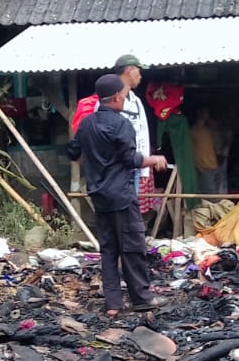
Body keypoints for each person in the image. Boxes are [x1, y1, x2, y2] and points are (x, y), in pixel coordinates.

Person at [66, 73, 169, 315]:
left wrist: (94, 161)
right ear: (115, 97)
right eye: (122, 95)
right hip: (121, 195)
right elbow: (130, 158)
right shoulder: (121, 124)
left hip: (99, 195)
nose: (124, 99)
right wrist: (153, 159)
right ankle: (142, 299)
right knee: (132, 247)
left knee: (109, 248)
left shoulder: (86, 124)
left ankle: (113, 304)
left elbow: (73, 152)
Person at [113, 54, 153, 203]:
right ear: (129, 71)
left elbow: (143, 135)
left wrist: (144, 171)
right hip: (113, 169)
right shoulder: (106, 100)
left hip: (133, 167)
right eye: (138, 71)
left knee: (130, 210)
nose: (140, 76)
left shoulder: (136, 102)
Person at [192, 106, 226, 194]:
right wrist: (198, 167)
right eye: (205, 112)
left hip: (214, 166)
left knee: (216, 194)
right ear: (199, 113)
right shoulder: (193, 130)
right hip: (203, 168)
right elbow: (191, 151)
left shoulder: (209, 129)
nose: (207, 115)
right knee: (210, 195)